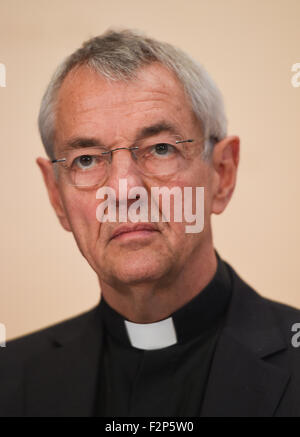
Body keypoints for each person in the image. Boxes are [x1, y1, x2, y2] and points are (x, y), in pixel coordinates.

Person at [1, 29, 300, 418]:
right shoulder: (9, 380)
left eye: (161, 149)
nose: (124, 190)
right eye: (87, 159)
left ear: (222, 174)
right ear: (56, 195)